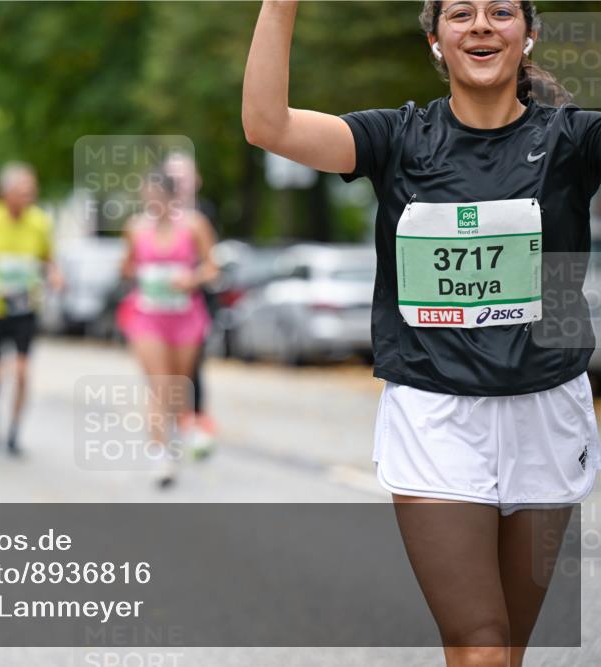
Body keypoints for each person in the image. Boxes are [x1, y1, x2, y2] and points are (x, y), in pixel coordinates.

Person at [243, 2, 600, 665]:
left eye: (501, 11)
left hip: (547, 409)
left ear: (531, 33)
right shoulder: (398, 138)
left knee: (505, 648)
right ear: (435, 39)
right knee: (481, 644)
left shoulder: (572, 141)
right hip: (436, 413)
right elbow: (267, 125)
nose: (482, 25)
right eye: (461, 13)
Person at [116, 171, 218, 488]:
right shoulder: (135, 227)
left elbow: (212, 267)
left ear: (173, 197)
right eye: (149, 197)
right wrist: (146, 273)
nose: (153, 203)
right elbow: (126, 266)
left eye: (159, 197)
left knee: (177, 387)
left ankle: (171, 440)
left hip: (185, 316)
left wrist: (190, 279)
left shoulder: (194, 225)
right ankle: (160, 455)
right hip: (147, 315)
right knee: (159, 386)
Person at [0, 162, 62, 455]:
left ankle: (14, 431)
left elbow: (48, 259)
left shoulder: (41, 221)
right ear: (4, 192)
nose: (27, 198)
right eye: (21, 192)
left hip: (25, 305)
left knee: (21, 371)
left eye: (31, 192)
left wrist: (55, 275)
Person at [162, 152, 219, 460]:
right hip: (160, 305)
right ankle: (169, 426)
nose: (179, 182)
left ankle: (195, 422)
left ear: (195, 180)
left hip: (194, 303)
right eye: (173, 176)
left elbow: (212, 260)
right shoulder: (153, 213)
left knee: (194, 366)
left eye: (183, 176)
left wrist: (192, 277)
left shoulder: (203, 215)